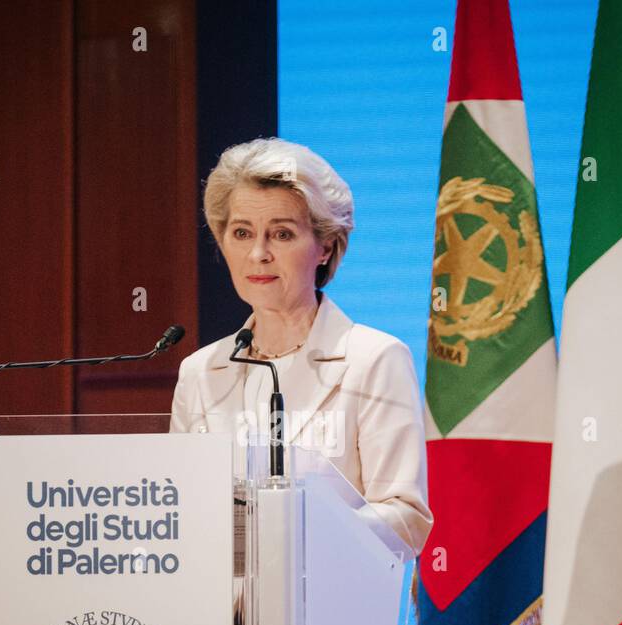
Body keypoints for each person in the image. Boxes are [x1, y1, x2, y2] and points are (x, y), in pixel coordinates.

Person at [169, 137, 433, 558]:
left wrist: (289, 533)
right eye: (241, 233)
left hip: (332, 613)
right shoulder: (200, 372)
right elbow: (179, 512)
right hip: (216, 616)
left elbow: (406, 520)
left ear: (325, 246)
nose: (258, 254)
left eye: (282, 234)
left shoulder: (374, 360)